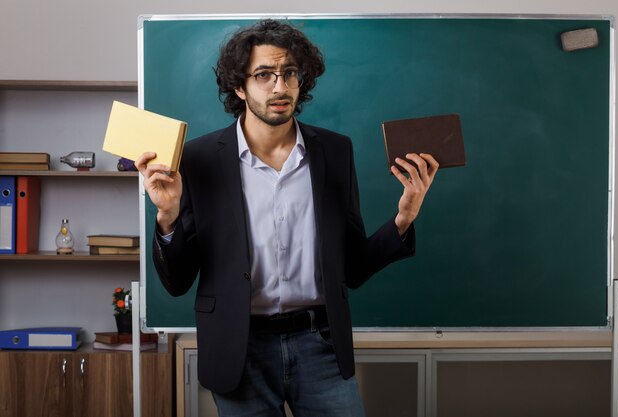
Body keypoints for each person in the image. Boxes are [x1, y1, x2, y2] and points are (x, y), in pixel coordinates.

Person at [135, 19, 438, 417]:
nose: (280, 87)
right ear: (239, 86)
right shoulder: (196, 159)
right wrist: (168, 215)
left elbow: (353, 268)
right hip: (239, 350)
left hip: (321, 346)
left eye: (289, 73)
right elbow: (177, 283)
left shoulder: (334, 152)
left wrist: (403, 218)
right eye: (264, 75)